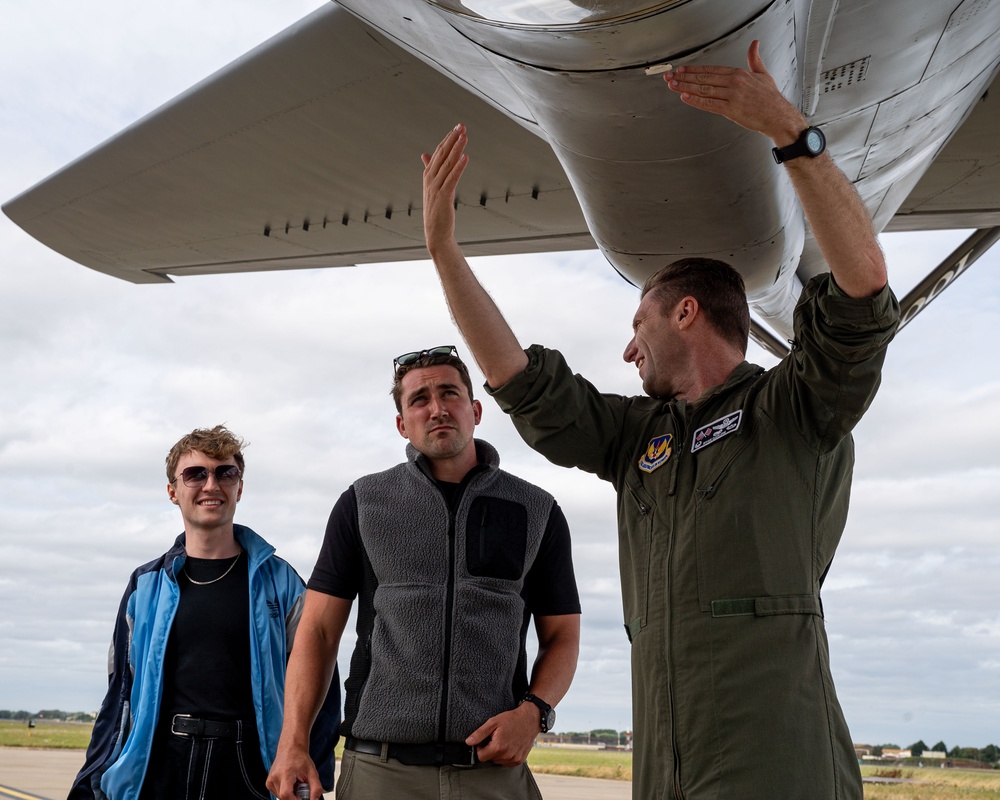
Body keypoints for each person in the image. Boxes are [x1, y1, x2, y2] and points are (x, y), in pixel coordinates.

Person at [419, 41, 900, 800]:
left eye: (637, 323)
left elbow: (864, 294)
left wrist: (791, 135)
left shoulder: (793, 409)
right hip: (666, 770)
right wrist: (444, 252)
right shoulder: (639, 438)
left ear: (685, 312)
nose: (627, 347)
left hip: (776, 767)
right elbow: (519, 380)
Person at [267, 347, 581, 800]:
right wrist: (293, 742)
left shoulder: (538, 510)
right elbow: (316, 632)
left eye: (449, 393)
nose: (437, 408)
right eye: (419, 399)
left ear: (474, 410)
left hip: (491, 770)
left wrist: (534, 713)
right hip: (380, 769)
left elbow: (562, 637)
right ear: (402, 425)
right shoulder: (363, 502)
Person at [69, 425, 340, 800]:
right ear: (172, 491)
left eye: (225, 473)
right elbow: (121, 694)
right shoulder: (145, 585)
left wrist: (315, 772)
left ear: (239, 488)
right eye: (196, 474)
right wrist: (91, 781)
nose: (211, 485)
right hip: (161, 768)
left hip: (252, 770)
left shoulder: (282, 581)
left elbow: (320, 682)